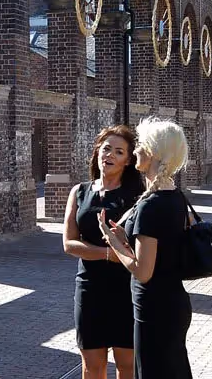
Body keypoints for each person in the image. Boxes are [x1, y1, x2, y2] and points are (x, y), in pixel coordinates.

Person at [99, 117, 192, 379]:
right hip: (171, 303)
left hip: (155, 309)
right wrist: (126, 240)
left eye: (140, 144)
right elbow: (162, 251)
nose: (136, 149)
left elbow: (143, 272)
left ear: (152, 152)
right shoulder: (174, 195)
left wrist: (115, 243)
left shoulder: (151, 205)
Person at [63, 126, 147, 379]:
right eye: (106, 148)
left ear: (128, 160)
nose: (109, 155)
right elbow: (69, 244)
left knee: (127, 365)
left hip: (125, 288)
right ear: (97, 150)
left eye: (118, 151)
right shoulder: (79, 192)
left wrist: (108, 251)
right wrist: (110, 254)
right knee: (92, 366)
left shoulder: (137, 197)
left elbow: (140, 246)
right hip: (89, 288)